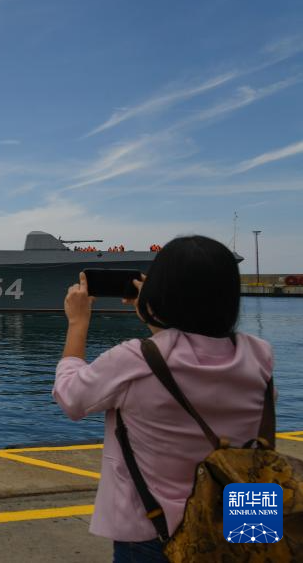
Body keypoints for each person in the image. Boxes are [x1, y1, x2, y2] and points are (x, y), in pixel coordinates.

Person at [53, 236, 274, 562]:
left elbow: (71, 397)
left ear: (159, 294)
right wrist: (157, 313)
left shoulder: (135, 359)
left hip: (156, 531)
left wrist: (77, 323)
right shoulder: (259, 354)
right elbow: (189, 352)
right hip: (244, 526)